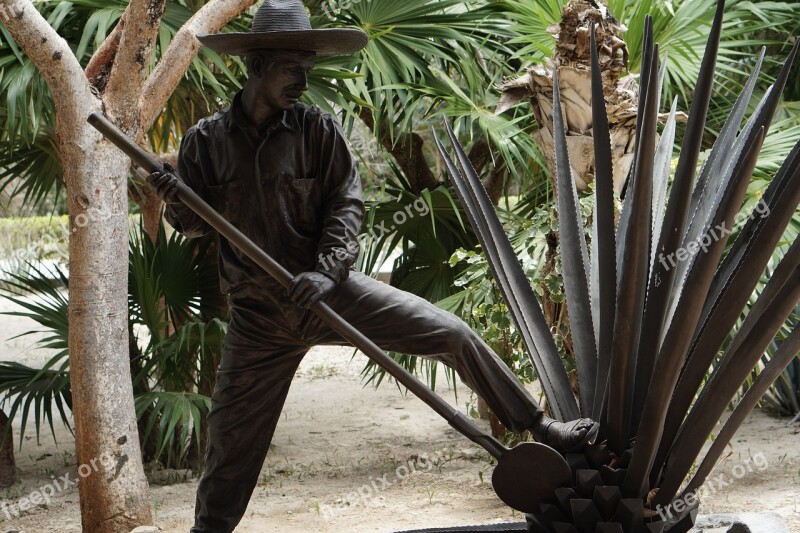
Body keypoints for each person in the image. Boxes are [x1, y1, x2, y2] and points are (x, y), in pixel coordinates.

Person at [148, 1, 598, 531]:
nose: (303, 78)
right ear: (257, 67)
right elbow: (194, 222)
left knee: (451, 333)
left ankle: (541, 427)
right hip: (259, 319)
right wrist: (172, 198)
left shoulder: (317, 130)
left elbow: (346, 203)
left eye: (307, 67)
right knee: (230, 448)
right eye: (292, 67)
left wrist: (327, 270)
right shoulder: (206, 142)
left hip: (330, 293)